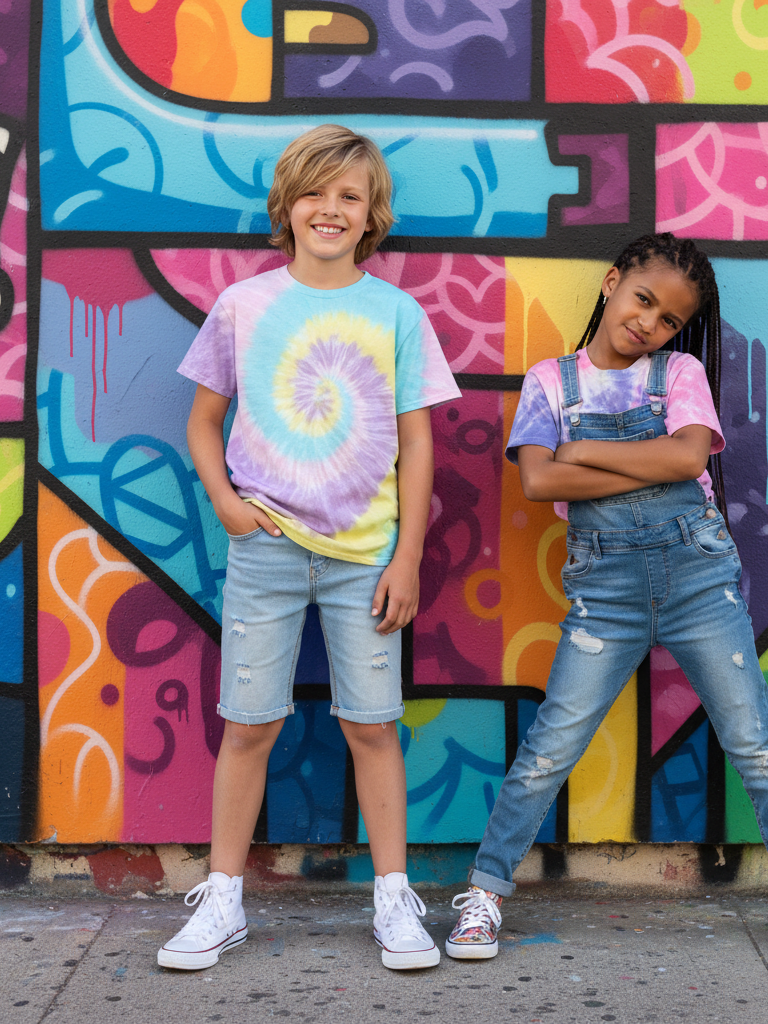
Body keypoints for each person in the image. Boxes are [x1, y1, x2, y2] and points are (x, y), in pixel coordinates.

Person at [445, 233, 768, 965]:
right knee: (547, 750)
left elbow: (688, 457)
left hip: (698, 583)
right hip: (606, 594)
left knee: (755, 740)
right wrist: (641, 466)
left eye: (666, 319)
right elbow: (541, 482)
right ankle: (486, 892)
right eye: (643, 300)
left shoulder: (679, 371)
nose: (649, 323)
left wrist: (583, 450)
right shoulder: (548, 382)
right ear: (612, 281)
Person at [159, 124, 460, 972]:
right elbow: (203, 420)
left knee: (372, 724)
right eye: (315, 193)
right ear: (287, 206)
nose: (331, 209)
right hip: (266, 552)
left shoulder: (396, 313)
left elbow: (420, 446)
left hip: (366, 559)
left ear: (373, 218)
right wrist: (226, 504)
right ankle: (222, 899)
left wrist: (406, 557)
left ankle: (394, 897)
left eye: (350, 197)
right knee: (248, 725)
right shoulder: (244, 306)